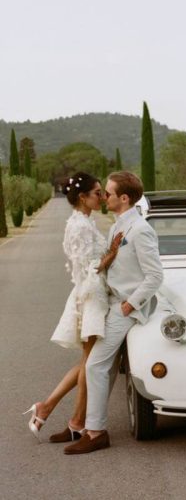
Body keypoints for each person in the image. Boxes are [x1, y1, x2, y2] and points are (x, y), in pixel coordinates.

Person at [64, 171, 163, 454]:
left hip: (126, 307)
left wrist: (129, 305)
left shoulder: (141, 230)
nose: (103, 196)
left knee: (95, 365)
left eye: (108, 193)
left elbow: (155, 276)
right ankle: (88, 426)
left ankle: (96, 433)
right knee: (101, 367)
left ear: (124, 198)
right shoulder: (117, 227)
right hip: (112, 304)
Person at [24, 172, 122, 442]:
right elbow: (85, 267)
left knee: (88, 362)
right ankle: (75, 421)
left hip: (96, 294)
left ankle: (51, 408)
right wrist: (111, 254)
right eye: (98, 193)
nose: (102, 197)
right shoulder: (78, 225)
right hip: (91, 297)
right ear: (83, 197)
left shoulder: (87, 221)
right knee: (91, 363)